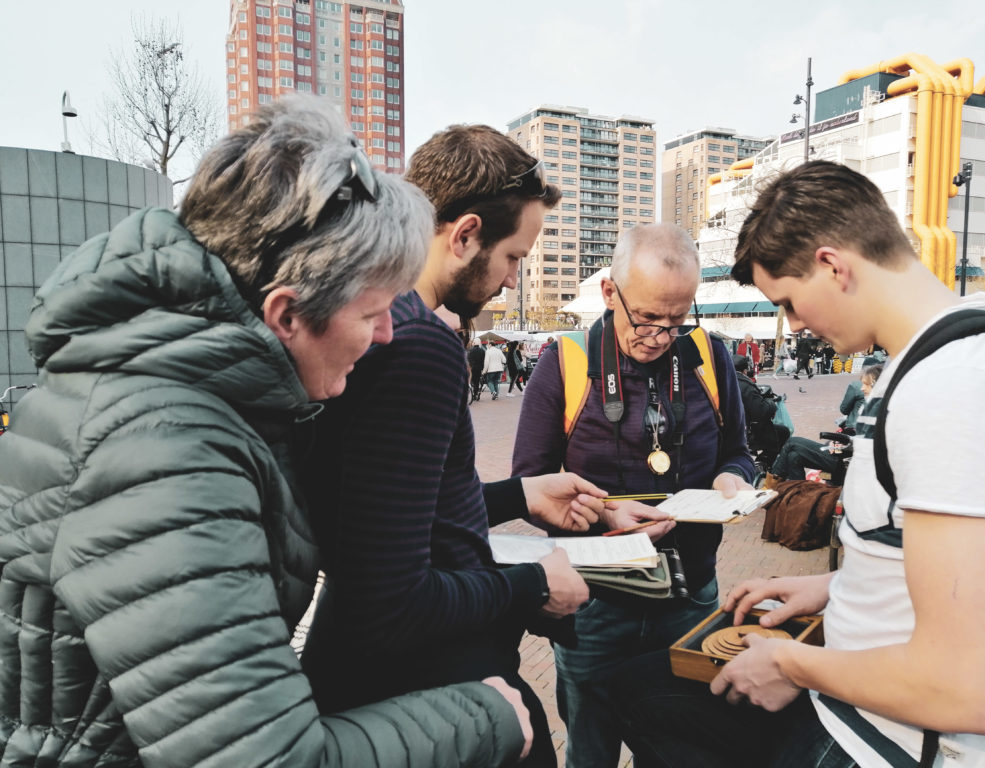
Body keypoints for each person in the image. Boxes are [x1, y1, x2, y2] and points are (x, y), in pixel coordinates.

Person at [0, 96, 532, 768]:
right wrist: (484, 716)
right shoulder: (162, 454)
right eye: (372, 312)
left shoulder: (188, 403)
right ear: (286, 314)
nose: (389, 333)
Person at [609, 160, 985, 767]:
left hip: (884, 742)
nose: (795, 324)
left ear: (833, 266)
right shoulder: (939, 362)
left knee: (646, 696)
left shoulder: (954, 389)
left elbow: (968, 690)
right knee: (641, 688)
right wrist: (831, 588)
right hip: (868, 714)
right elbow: (948, 573)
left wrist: (792, 662)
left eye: (789, 301)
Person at [299, 124, 605, 768]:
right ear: (465, 235)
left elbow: (392, 515)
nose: (513, 279)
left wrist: (521, 493)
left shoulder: (381, 330)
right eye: (514, 257)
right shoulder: (419, 344)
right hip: (434, 682)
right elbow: (391, 597)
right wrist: (531, 585)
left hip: (361, 675)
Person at [512, 223, 756, 768]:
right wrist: (603, 516)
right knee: (591, 750)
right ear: (609, 293)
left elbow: (739, 451)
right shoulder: (565, 363)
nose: (661, 336)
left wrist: (731, 481)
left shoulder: (709, 357)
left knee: (678, 749)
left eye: (677, 319)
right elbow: (528, 484)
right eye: (647, 318)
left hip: (691, 597)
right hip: (594, 602)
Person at [767, 365, 882, 485]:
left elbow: (866, 444)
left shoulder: (875, 409)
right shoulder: (873, 406)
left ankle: (770, 487)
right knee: (793, 456)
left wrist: (842, 443)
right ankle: (800, 493)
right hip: (847, 455)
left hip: (846, 461)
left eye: (866, 384)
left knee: (792, 442)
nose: (862, 388)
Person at [733, 354, 790, 468]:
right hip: (746, 431)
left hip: (729, 428)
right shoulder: (745, 385)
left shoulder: (723, 381)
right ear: (745, 371)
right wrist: (770, 403)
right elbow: (761, 412)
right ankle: (762, 462)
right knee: (783, 432)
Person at [468, 336, 486, 401]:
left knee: (471, 381)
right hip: (479, 369)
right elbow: (483, 361)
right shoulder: (482, 351)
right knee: (477, 382)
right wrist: (482, 368)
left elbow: (468, 359)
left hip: (471, 368)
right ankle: (475, 394)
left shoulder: (470, 350)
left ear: (474, 343)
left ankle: (471, 393)